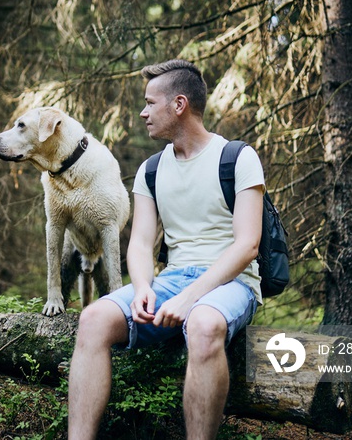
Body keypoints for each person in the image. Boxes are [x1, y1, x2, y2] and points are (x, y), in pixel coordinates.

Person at [67, 59, 265, 440]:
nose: (143, 113)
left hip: (232, 283)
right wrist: (143, 286)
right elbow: (140, 243)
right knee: (92, 320)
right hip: (172, 281)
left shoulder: (238, 158)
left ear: (179, 105)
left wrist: (191, 297)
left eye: (149, 103)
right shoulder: (151, 170)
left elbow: (247, 246)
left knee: (205, 324)